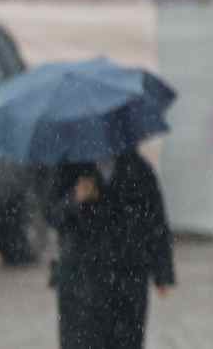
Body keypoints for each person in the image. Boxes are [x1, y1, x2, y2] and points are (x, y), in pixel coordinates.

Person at [46, 149, 175, 349]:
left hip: (128, 278)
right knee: (83, 341)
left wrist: (162, 272)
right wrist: (74, 198)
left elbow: (156, 221)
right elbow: (52, 215)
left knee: (126, 341)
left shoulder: (137, 168)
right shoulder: (69, 166)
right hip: (81, 280)